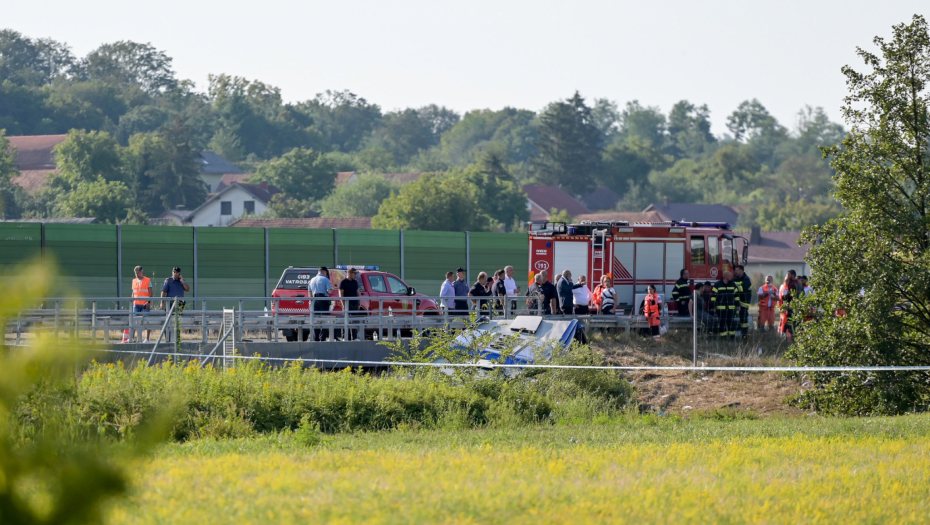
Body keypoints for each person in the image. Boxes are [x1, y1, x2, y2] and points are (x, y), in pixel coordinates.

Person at [160, 266, 190, 343]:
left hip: (179, 304)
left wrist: (183, 281)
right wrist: (162, 302)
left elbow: (187, 289)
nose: (175, 274)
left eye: (177, 273)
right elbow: (163, 292)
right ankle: (168, 339)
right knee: (168, 321)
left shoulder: (182, 281)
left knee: (177, 321)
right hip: (169, 304)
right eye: (174, 272)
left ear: (179, 273)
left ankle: (177, 338)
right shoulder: (168, 281)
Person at [711, 270, 738, 338]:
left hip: (731, 308)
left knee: (731, 323)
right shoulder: (717, 285)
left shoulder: (733, 284)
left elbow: (736, 295)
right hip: (720, 308)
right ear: (725, 276)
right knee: (722, 323)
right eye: (730, 275)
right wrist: (713, 306)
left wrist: (737, 305)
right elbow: (713, 296)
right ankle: (723, 337)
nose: (731, 277)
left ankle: (732, 337)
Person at [309, 266, 333, 341]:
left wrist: (311, 301)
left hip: (314, 300)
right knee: (325, 319)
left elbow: (309, 293)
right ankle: (322, 337)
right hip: (323, 300)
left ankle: (315, 337)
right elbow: (330, 291)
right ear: (325, 272)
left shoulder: (312, 280)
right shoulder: (325, 279)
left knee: (316, 320)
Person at [778, 270, 803, 340]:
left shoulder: (792, 284)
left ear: (792, 275)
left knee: (791, 322)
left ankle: (793, 337)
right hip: (799, 306)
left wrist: (784, 296)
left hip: (792, 306)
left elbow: (789, 296)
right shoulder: (799, 283)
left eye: (789, 275)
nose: (788, 276)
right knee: (797, 322)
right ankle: (798, 337)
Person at [131, 265, 153, 343]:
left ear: (142, 272)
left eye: (138, 273)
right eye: (136, 273)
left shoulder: (147, 280)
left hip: (145, 304)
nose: (137, 274)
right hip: (136, 304)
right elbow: (133, 293)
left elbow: (151, 292)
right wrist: (132, 302)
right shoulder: (134, 281)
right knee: (134, 321)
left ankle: (147, 339)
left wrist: (149, 302)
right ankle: (132, 338)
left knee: (147, 321)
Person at [338, 268, 361, 341]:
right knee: (346, 320)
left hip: (355, 303)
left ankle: (354, 337)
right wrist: (343, 304)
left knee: (354, 320)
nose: (355, 275)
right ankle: (345, 337)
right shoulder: (343, 282)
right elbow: (340, 294)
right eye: (354, 273)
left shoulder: (355, 282)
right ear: (349, 273)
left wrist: (359, 302)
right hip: (347, 304)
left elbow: (357, 292)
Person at [733, 265, 752, 336]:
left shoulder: (746, 279)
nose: (735, 272)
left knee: (743, 319)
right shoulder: (735, 279)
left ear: (742, 270)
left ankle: (744, 334)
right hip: (736, 302)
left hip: (744, 303)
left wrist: (734, 288)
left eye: (737, 270)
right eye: (735, 270)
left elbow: (741, 288)